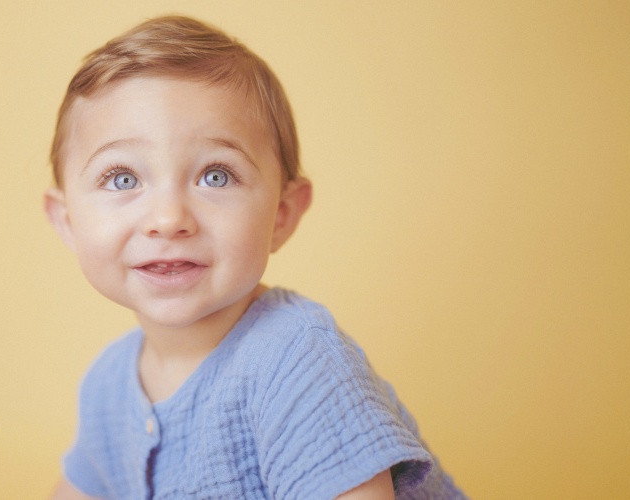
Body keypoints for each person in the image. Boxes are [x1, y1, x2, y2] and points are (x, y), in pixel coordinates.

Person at [43, 15, 464, 500]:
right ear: (68, 220)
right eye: (122, 179)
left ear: (282, 215)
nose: (168, 218)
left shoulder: (298, 362)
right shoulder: (108, 384)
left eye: (216, 176)